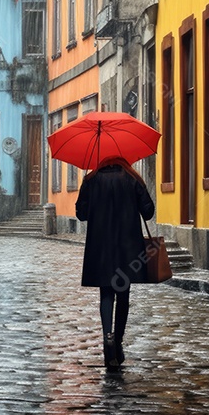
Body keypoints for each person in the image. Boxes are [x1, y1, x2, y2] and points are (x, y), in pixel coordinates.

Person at [75, 155, 155, 370]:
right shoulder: (132, 178)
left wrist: (90, 192)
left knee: (106, 293)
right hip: (127, 248)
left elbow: (81, 214)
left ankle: (107, 337)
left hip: (101, 247)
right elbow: (148, 211)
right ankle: (117, 342)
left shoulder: (91, 180)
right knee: (123, 293)